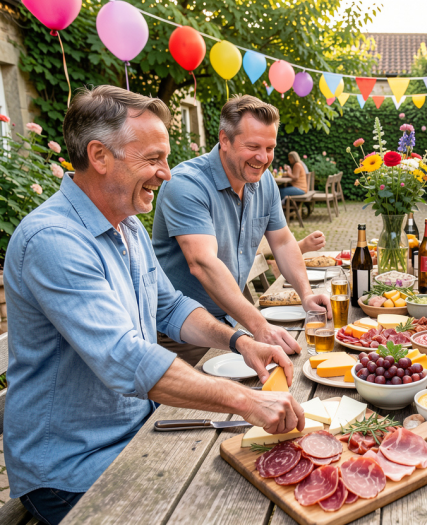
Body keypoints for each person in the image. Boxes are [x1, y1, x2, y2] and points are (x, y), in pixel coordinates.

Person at [3, 86, 305, 525]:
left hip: (137, 431)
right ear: (99, 156)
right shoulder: (53, 240)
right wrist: (247, 402)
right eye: (153, 159)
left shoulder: (127, 227)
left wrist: (239, 340)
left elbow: (171, 307)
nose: (166, 173)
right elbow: (124, 358)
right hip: (71, 469)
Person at [152, 95, 331, 366]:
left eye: (270, 148)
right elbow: (203, 263)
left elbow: (282, 242)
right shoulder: (187, 184)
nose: (263, 158)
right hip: (186, 334)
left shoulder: (264, 180)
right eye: (253, 146)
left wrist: (305, 294)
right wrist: (259, 326)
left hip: (236, 322)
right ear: (225, 140)